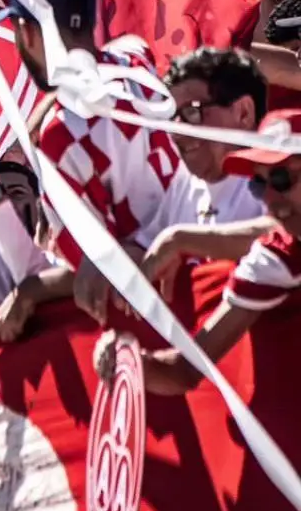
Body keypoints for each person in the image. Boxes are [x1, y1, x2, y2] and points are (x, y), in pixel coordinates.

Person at [0, 0, 182, 325]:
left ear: (28, 33)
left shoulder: (58, 141)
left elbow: (95, 271)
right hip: (204, 272)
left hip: (160, 320)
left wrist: (30, 290)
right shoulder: (137, 62)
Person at [96, 110, 301, 395]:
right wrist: (127, 363)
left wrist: (179, 239)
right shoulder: (277, 256)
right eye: (258, 183)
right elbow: (185, 370)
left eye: (282, 179)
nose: (271, 200)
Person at [139, 48, 273, 295]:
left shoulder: (283, 168)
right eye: (171, 118)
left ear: (243, 112)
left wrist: (182, 240)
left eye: (192, 112)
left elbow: (287, 237)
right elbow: (144, 248)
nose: (177, 132)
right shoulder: (183, 181)